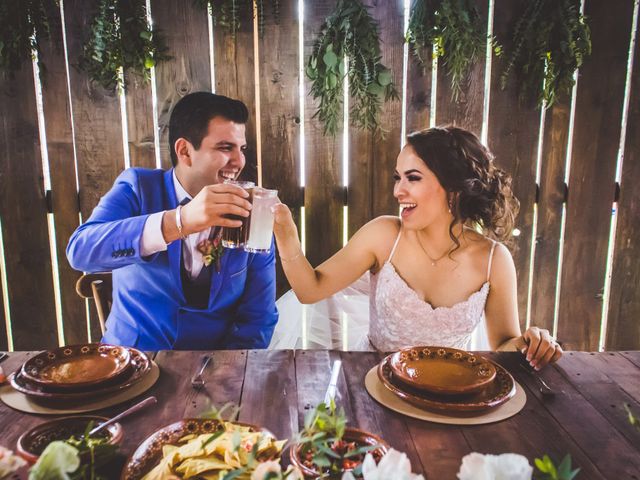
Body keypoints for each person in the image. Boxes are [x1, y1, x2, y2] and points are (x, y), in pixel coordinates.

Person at [272, 126, 562, 370]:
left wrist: (530, 342)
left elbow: (503, 344)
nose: (399, 190)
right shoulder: (384, 236)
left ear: (454, 187)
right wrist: (287, 238)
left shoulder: (493, 260)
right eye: (398, 178)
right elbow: (310, 290)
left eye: (413, 178)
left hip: (446, 395)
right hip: (374, 386)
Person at [67, 92, 278, 350]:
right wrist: (180, 221)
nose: (239, 161)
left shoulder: (252, 212)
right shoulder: (137, 188)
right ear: (185, 151)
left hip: (216, 370)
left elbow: (259, 319)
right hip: (133, 362)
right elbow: (80, 251)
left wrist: (225, 373)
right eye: (225, 147)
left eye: (241, 149)